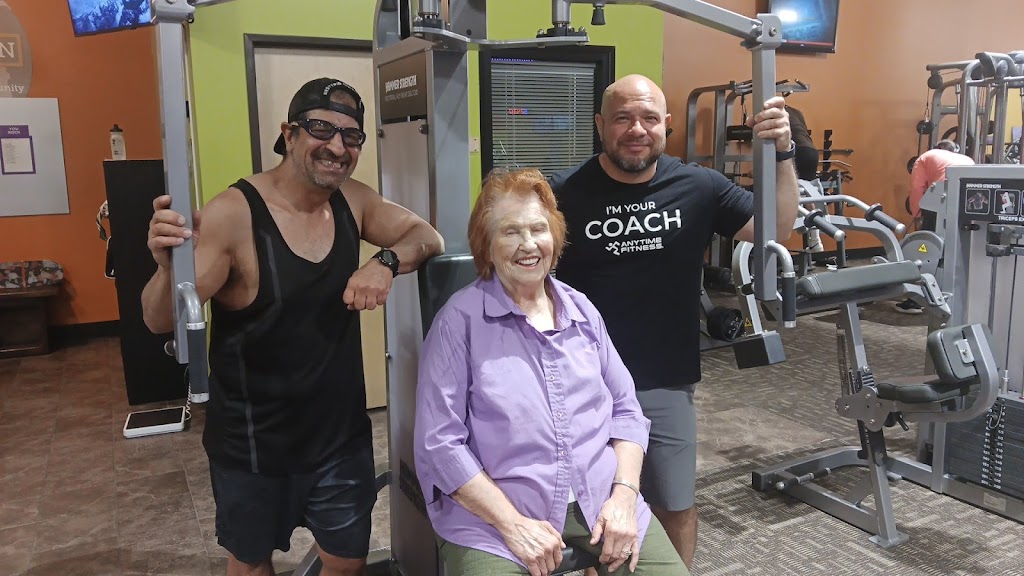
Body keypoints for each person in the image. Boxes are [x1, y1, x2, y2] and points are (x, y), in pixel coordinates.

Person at [141, 78, 444, 576]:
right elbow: (159, 319)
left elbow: (426, 235)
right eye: (321, 128)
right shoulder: (233, 215)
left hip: (339, 438)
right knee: (251, 563)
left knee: (347, 561)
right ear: (289, 133)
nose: (337, 147)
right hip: (253, 444)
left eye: (351, 136)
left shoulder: (353, 201)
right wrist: (163, 267)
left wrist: (384, 261)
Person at [548, 74, 799, 569]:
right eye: (622, 118)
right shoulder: (564, 193)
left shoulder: (699, 185)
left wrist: (784, 154)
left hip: (663, 378)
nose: (635, 129)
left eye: (647, 118)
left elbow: (779, 228)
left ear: (665, 124)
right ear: (600, 125)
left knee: (674, 505)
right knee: (588, 509)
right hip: (581, 381)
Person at [413, 168, 687, 576]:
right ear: (486, 245)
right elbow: (440, 445)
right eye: (510, 232)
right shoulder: (459, 322)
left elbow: (626, 410)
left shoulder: (582, 311)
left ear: (554, 239)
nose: (528, 244)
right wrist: (511, 524)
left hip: (601, 502)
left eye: (538, 229)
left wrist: (625, 497)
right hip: (496, 520)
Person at [898, 138, 974, 314]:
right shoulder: (966, 159)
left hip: (941, 201)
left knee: (927, 250)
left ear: (937, 147)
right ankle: (954, 296)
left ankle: (917, 300)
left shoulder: (925, 157)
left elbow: (916, 189)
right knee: (956, 251)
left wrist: (917, 216)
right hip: (968, 205)